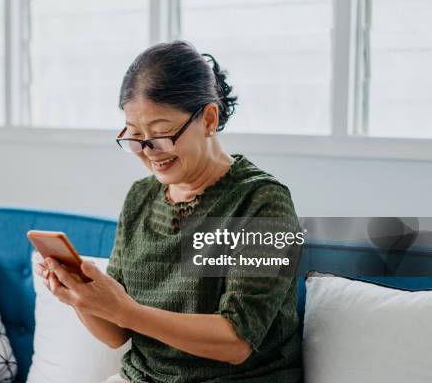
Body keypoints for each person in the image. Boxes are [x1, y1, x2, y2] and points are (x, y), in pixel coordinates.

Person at [34, 41, 302, 383]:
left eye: (161, 133)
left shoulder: (262, 202)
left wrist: (127, 311)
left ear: (208, 118)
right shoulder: (140, 198)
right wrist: (79, 298)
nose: (149, 151)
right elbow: (117, 332)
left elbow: (237, 341)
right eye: (135, 137)